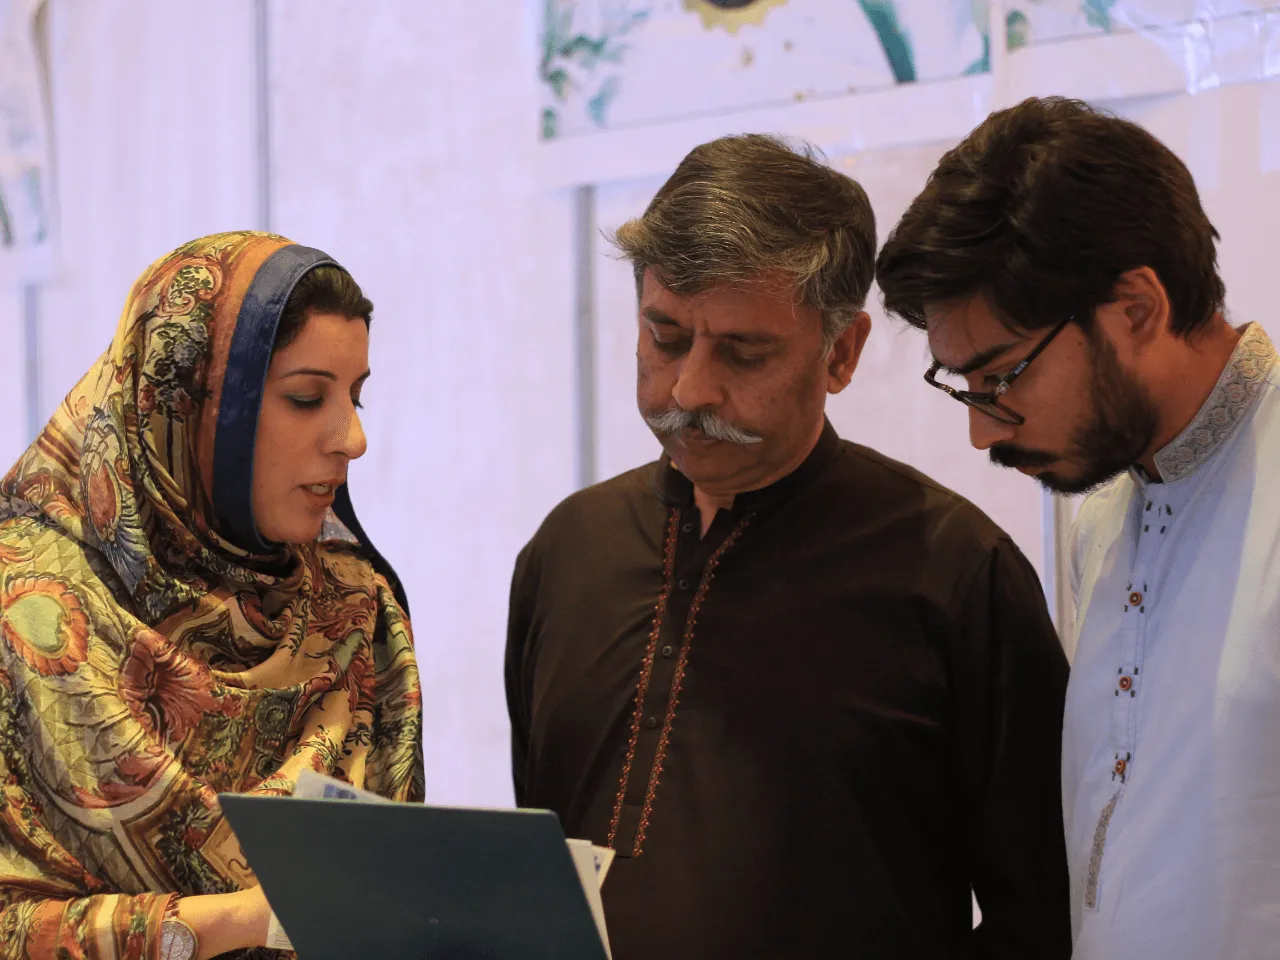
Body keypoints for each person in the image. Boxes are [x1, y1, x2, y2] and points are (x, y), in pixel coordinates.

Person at [505, 134, 1072, 959]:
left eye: (743, 352)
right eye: (665, 337)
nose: (690, 389)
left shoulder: (955, 573)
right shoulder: (566, 552)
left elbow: (1046, 915)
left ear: (840, 353)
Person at [875, 97, 1280, 959]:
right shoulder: (1102, 513)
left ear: (1136, 308)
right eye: (964, 388)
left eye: (1002, 376)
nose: (982, 431)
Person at [0, 231, 424, 960]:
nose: (352, 438)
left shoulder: (356, 609)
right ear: (184, 402)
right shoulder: (24, 611)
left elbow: (397, 907)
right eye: (306, 398)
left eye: (355, 396)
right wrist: (233, 922)